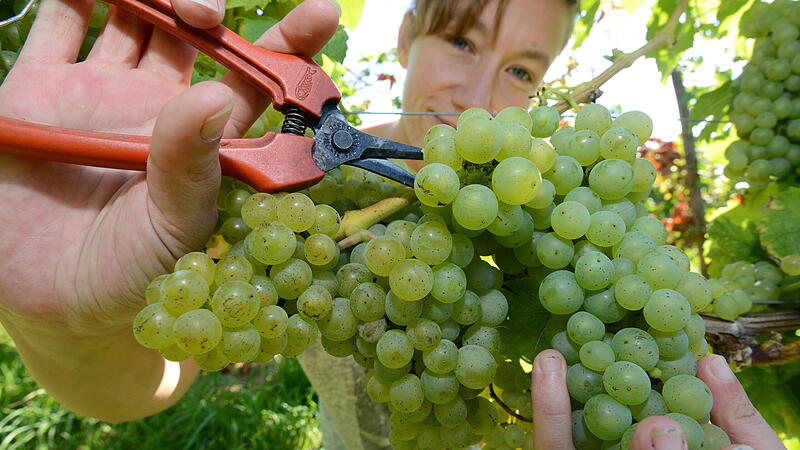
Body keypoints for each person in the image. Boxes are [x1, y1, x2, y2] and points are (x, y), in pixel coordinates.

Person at [0, 0, 784, 449]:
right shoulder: (303, 218)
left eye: (521, 71)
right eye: (461, 37)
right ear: (407, 34)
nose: (478, 88)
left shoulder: (570, 224)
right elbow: (145, 384)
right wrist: (63, 322)